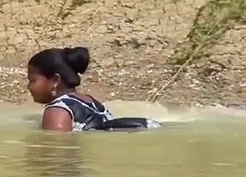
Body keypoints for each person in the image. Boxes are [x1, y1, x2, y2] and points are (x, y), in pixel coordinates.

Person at [26, 47, 161, 132]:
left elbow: (57, 150)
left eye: (32, 80)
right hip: (147, 126)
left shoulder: (57, 110)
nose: (28, 87)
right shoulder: (88, 99)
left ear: (55, 80)